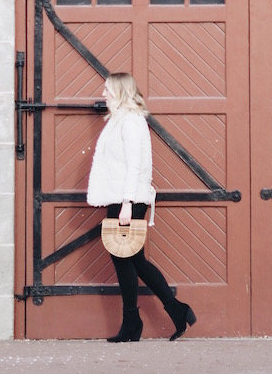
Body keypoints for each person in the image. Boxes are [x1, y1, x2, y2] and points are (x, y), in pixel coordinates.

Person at [86, 72, 196, 343]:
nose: (103, 94)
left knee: (127, 259)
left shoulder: (132, 122)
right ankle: (174, 311)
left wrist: (126, 203)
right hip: (122, 197)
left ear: (120, 91)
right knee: (133, 260)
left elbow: (135, 165)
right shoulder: (119, 120)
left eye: (107, 89)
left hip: (129, 199)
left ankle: (136, 323)